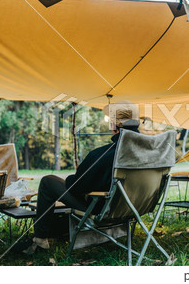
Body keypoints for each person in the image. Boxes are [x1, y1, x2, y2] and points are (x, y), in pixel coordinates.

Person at [13, 101, 140, 254]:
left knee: (48, 181)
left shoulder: (103, 154)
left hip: (103, 210)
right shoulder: (150, 152)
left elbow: (77, 187)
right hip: (133, 209)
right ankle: (55, 231)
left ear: (114, 125)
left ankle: (40, 241)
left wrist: (69, 180)